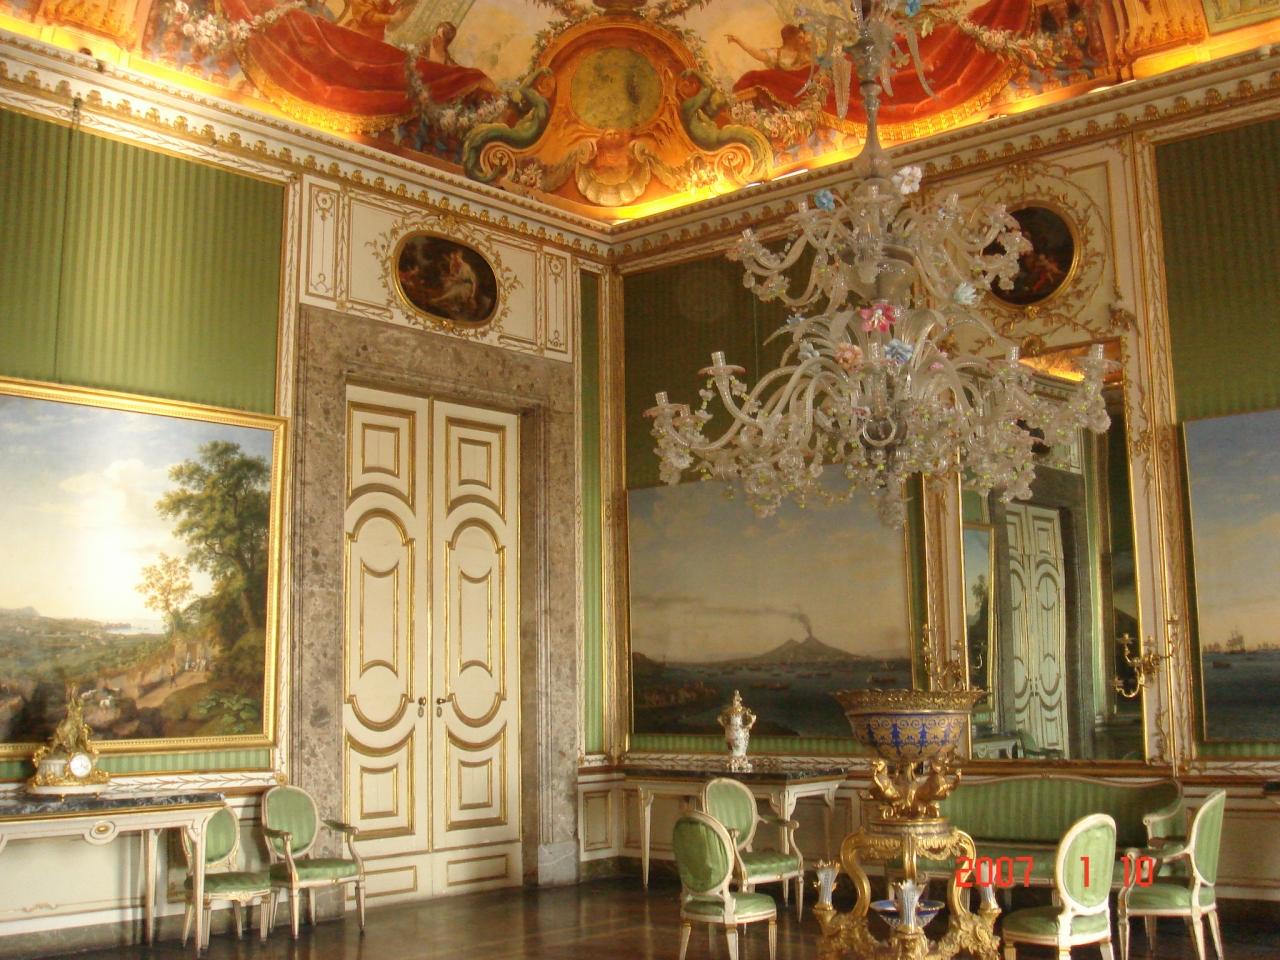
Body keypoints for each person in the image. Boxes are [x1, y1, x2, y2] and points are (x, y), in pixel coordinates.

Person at [728, 25, 815, 109]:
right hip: (778, 89)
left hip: (794, 90)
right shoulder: (777, 54)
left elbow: (809, 71)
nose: (803, 41)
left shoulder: (803, 56)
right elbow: (757, 54)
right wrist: (738, 41)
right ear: (791, 39)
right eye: (800, 38)